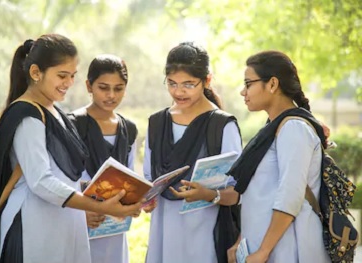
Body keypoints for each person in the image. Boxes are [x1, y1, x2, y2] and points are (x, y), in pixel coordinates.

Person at [0, 34, 143, 263]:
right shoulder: (27, 116)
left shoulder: (53, 111)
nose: (68, 83)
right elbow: (41, 181)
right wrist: (96, 206)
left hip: (60, 226)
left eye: (72, 76)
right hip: (34, 227)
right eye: (62, 75)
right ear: (36, 73)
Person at [225, 51, 330, 263]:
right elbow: (256, 192)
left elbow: (290, 196)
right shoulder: (273, 128)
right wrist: (241, 241)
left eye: (248, 84)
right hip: (264, 246)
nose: (242, 92)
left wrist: (263, 251)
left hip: (288, 247)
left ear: (272, 84)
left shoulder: (294, 128)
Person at [143, 42, 243, 263]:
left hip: (205, 234)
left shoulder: (222, 126)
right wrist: (145, 199)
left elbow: (238, 192)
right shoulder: (156, 123)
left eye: (189, 84)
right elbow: (148, 179)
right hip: (163, 233)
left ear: (207, 80)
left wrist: (209, 194)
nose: (178, 92)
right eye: (172, 83)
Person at [68, 54, 136, 263]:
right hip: (82, 221)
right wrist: (81, 215)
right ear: (89, 86)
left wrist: (134, 203)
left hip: (114, 227)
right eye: (103, 87)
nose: (111, 95)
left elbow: (130, 177)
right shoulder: (72, 124)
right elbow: (60, 183)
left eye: (118, 88)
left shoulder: (129, 129)